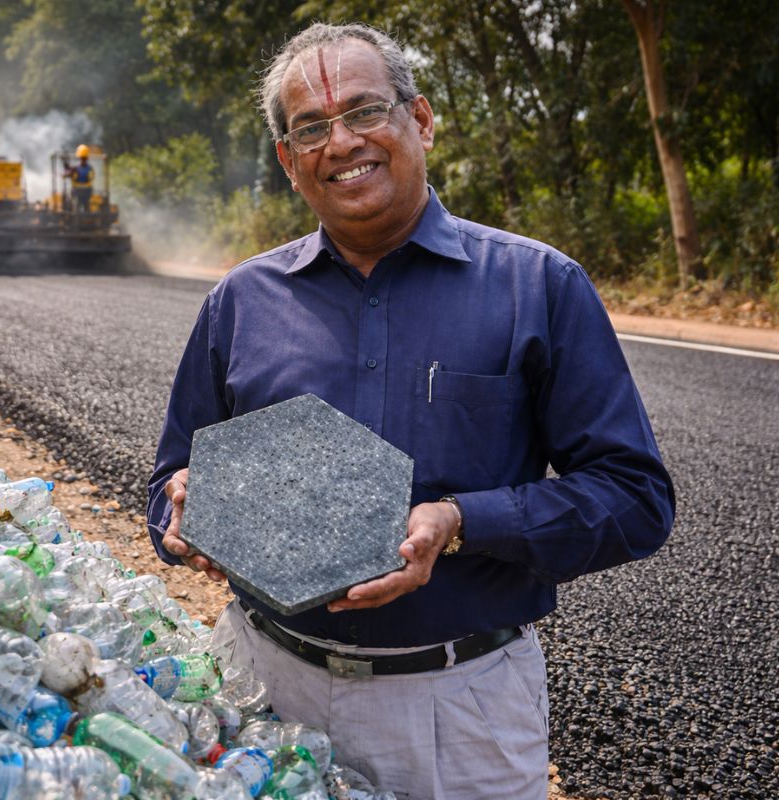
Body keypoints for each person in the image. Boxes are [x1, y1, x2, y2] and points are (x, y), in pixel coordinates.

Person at [147, 22, 674, 800]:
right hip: (261, 690)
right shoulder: (241, 301)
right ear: (290, 162)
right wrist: (181, 516)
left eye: (365, 112)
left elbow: (636, 500)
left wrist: (460, 522)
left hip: (461, 713)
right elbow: (167, 482)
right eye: (312, 128)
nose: (342, 142)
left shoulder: (539, 286)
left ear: (419, 121)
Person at [65, 144, 94, 213]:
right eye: (82, 158)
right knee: (84, 206)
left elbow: (69, 174)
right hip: (86, 191)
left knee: (78, 205)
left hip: (79, 191)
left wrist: (68, 173)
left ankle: (81, 216)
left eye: (83, 158)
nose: (82, 160)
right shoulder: (88, 169)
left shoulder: (77, 169)